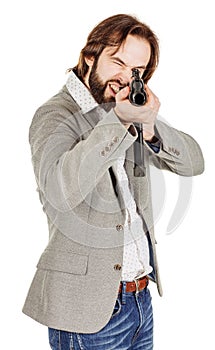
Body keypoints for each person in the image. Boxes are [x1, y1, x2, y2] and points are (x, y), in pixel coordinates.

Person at [22, 14, 204, 350]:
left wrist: (148, 126)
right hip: (88, 312)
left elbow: (195, 162)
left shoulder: (127, 111)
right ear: (90, 57)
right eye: (117, 62)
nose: (124, 78)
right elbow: (59, 190)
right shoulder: (55, 115)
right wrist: (117, 123)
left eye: (136, 71)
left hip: (140, 302)